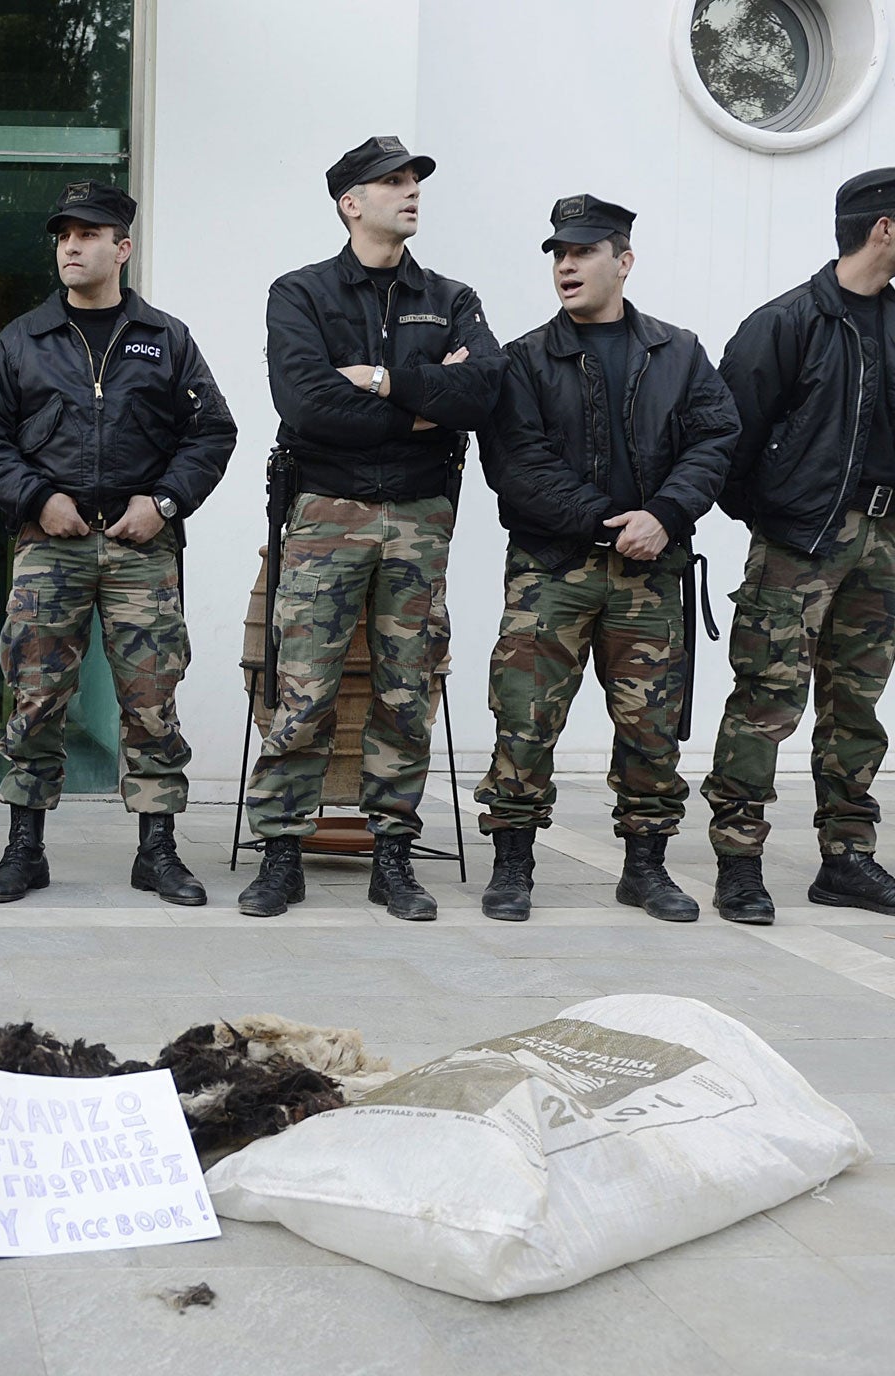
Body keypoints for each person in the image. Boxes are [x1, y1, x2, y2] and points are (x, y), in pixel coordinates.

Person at [240, 136, 506, 920]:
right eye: (392, 182)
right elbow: (309, 406)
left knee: (406, 690)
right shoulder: (302, 293)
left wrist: (387, 382)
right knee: (303, 690)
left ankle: (394, 855)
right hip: (326, 512)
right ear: (350, 202)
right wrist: (429, 403)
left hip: (422, 519)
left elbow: (486, 394)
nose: (411, 191)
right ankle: (281, 852)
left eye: (414, 180)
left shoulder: (453, 296)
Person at [0, 178, 237, 904]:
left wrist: (166, 502)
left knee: (151, 700)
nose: (72, 247)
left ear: (123, 247)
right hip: (50, 542)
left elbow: (212, 432)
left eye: (87, 235)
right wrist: (36, 497)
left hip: (142, 544)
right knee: (36, 694)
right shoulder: (23, 340)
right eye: (63, 236)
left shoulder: (166, 339)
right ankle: (25, 849)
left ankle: (158, 850)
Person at [474, 195, 740, 922]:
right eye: (559, 253)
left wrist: (664, 515)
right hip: (552, 570)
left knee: (652, 727)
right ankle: (513, 866)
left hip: (652, 574)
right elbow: (516, 465)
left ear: (622, 261)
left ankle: (646, 869)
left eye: (583, 252)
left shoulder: (677, 350)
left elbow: (716, 439)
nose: (566, 265)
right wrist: (608, 522)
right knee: (525, 718)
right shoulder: (524, 359)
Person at [703, 169, 895, 921]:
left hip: (883, 538)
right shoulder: (786, 323)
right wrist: (778, 519)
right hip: (800, 542)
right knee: (766, 700)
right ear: (884, 227)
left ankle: (847, 857)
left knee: (857, 702)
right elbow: (728, 442)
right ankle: (738, 862)